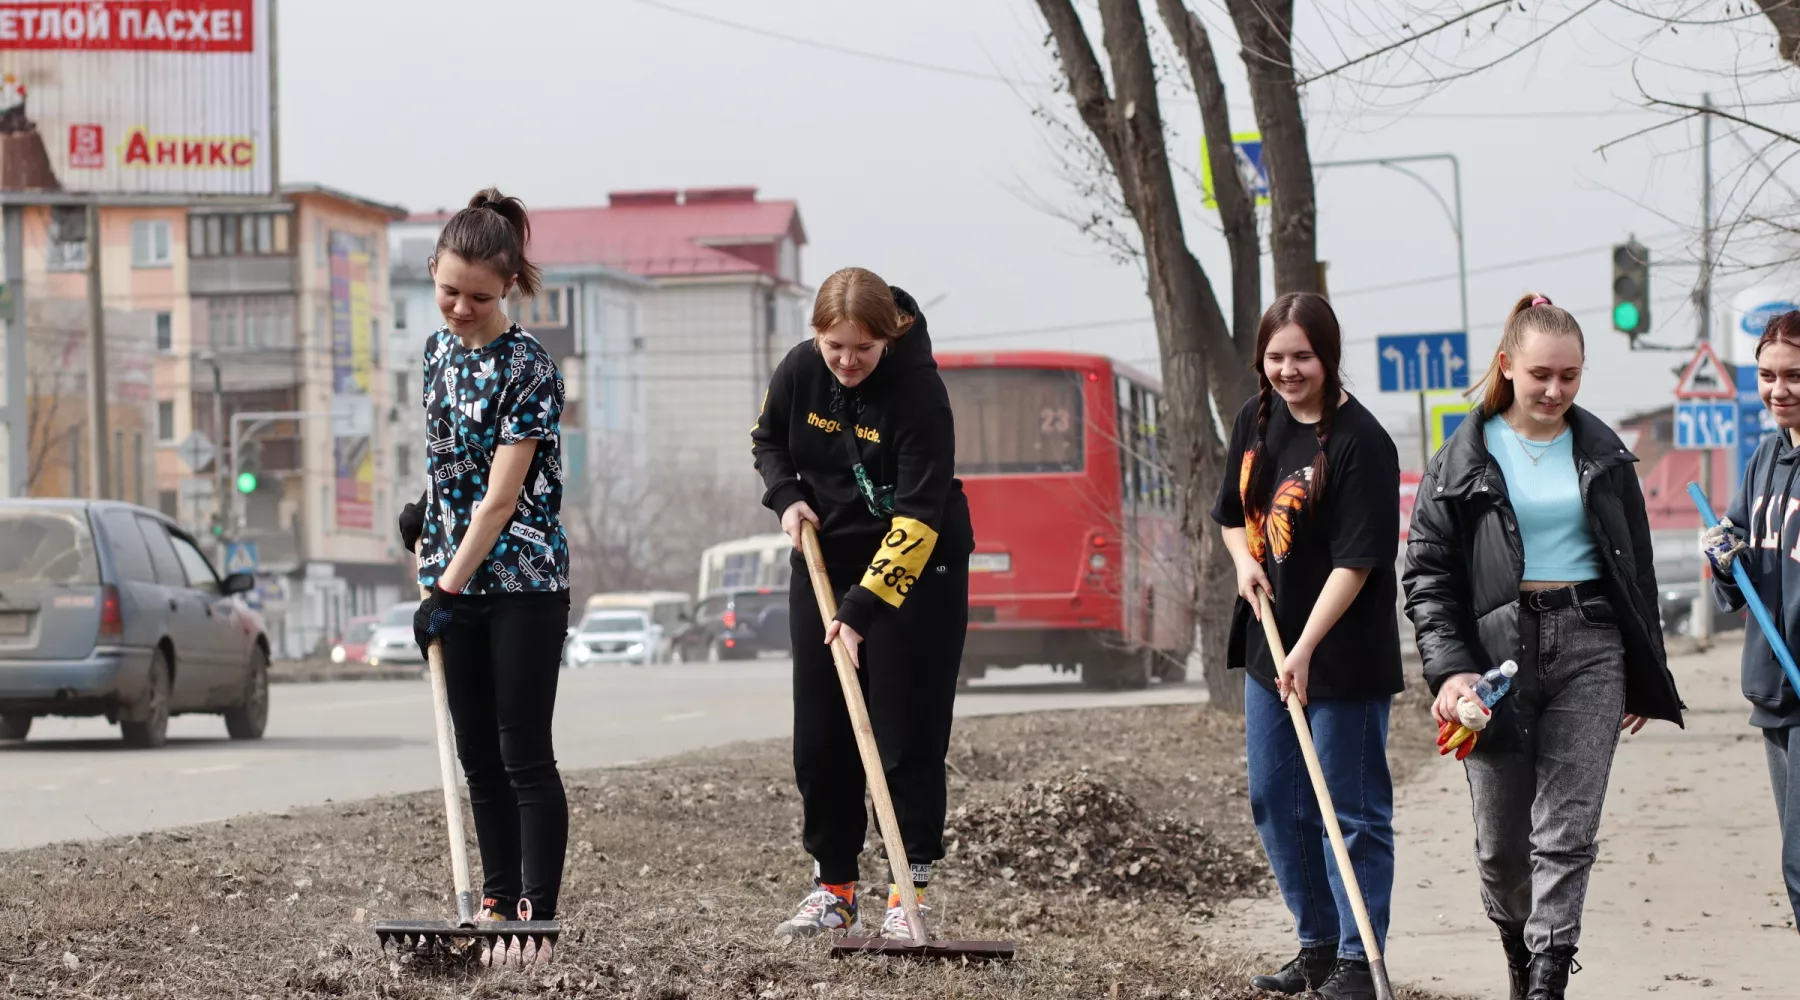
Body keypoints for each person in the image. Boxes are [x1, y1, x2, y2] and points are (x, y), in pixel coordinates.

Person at [1405, 293, 1682, 999]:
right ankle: (1520, 951)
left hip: (1592, 643)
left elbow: (1636, 570)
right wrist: (1449, 672)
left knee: (1566, 832)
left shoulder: (1606, 454)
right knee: (1502, 849)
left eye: (1570, 375)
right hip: (1494, 659)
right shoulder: (1461, 458)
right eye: (1540, 375)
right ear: (1508, 366)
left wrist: (1647, 671)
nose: (1555, 390)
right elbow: (1429, 576)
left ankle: (1548, 979)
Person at [750, 266, 974, 941]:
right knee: (822, 736)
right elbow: (768, 442)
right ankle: (834, 887)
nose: (847, 362)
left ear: (888, 338)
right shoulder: (798, 371)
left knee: (904, 737)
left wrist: (860, 612)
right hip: (824, 564)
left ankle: (908, 897)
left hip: (915, 572)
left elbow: (919, 514)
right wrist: (786, 497)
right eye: (834, 347)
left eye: (862, 349)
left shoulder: (919, 395)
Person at [1211, 292, 1403, 1000]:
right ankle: (1317, 946)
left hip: (1341, 656)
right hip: (1270, 647)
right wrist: (1243, 560)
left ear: (1327, 357)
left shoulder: (1362, 443)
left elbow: (1358, 562)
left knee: (1348, 810)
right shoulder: (1255, 420)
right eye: (1276, 357)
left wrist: (1307, 649)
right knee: (1275, 799)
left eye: (1302, 356)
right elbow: (1231, 515)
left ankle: (1360, 959)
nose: (1288, 370)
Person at [397, 188, 572, 955]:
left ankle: (537, 913)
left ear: (509, 286)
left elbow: (501, 501)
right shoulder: (435, 352)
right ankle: (496, 901)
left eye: (477, 295)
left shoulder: (529, 368)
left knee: (521, 750)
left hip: (521, 582)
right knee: (476, 758)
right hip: (454, 568)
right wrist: (423, 512)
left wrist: (444, 589)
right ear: (433, 269)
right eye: (448, 291)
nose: (460, 308)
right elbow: (450, 465)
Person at [1701, 308, 1800, 938]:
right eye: (1767, 376)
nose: (1778, 390)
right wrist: (1723, 554)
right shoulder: (1763, 458)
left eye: (1794, 376)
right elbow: (1735, 586)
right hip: (1775, 689)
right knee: (1796, 870)